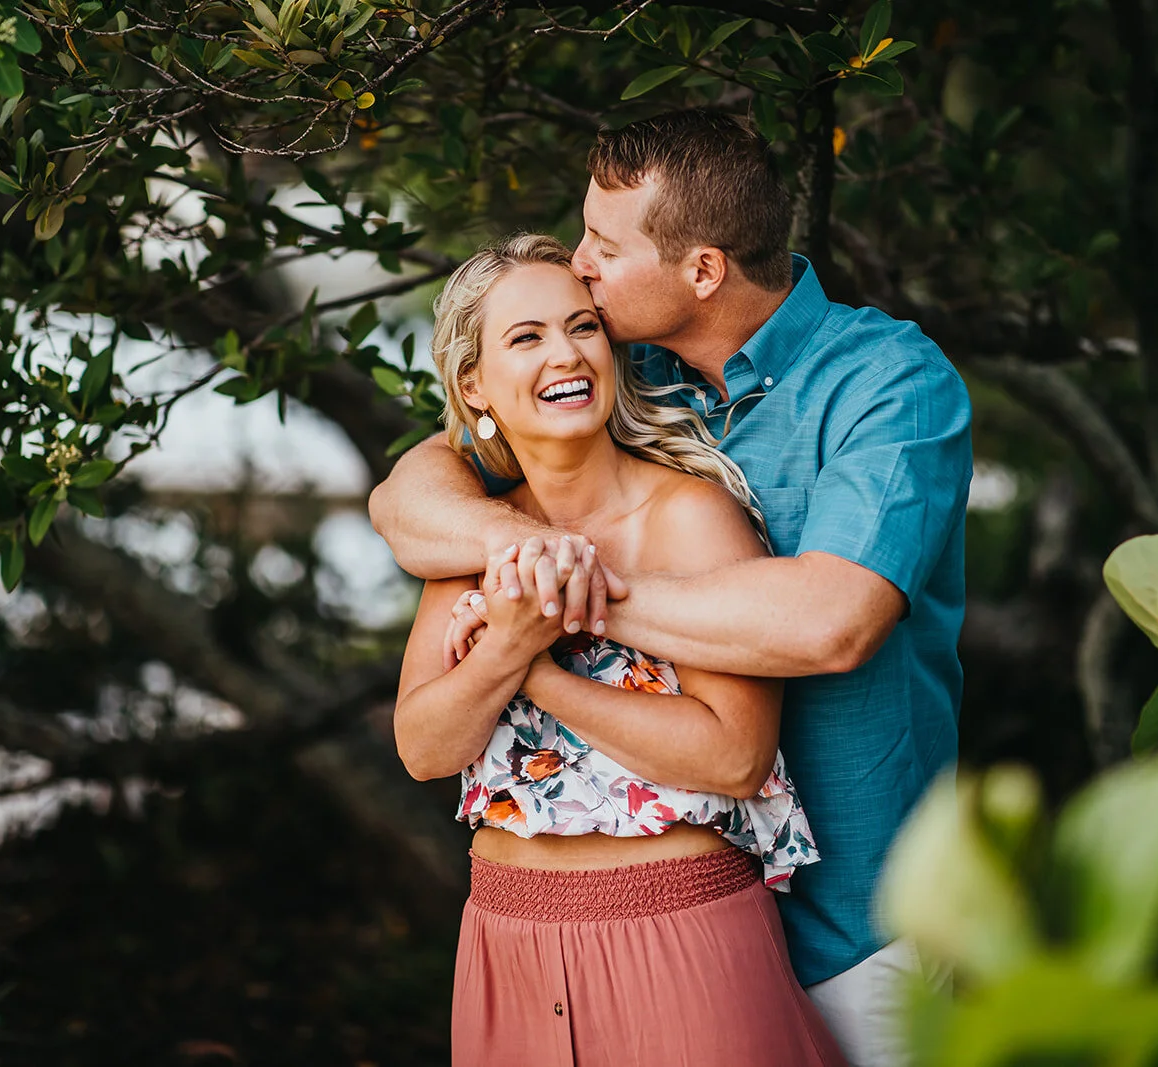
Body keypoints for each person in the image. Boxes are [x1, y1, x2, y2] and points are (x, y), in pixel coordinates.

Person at [370, 109, 972, 1067]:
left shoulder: (886, 383)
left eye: (604, 245)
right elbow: (407, 499)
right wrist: (520, 545)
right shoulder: (618, 365)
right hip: (602, 916)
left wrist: (560, 602)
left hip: (859, 915)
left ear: (701, 271)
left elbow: (831, 624)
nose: (582, 265)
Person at [393, 233, 846, 1066]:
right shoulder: (472, 535)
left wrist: (536, 667)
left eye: (582, 327)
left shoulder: (690, 517)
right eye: (525, 337)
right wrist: (504, 654)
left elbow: (736, 754)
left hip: (677, 937)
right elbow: (424, 747)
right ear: (472, 383)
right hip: (506, 944)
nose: (564, 353)